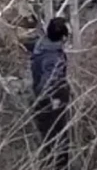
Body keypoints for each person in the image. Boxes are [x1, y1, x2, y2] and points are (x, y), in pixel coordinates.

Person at [31, 17, 71, 170]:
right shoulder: (53, 57)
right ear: (63, 36)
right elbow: (48, 81)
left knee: (48, 137)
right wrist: (53, 100)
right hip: (51, 101)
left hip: (42, 98)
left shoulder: (42, 45)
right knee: (59, 137)